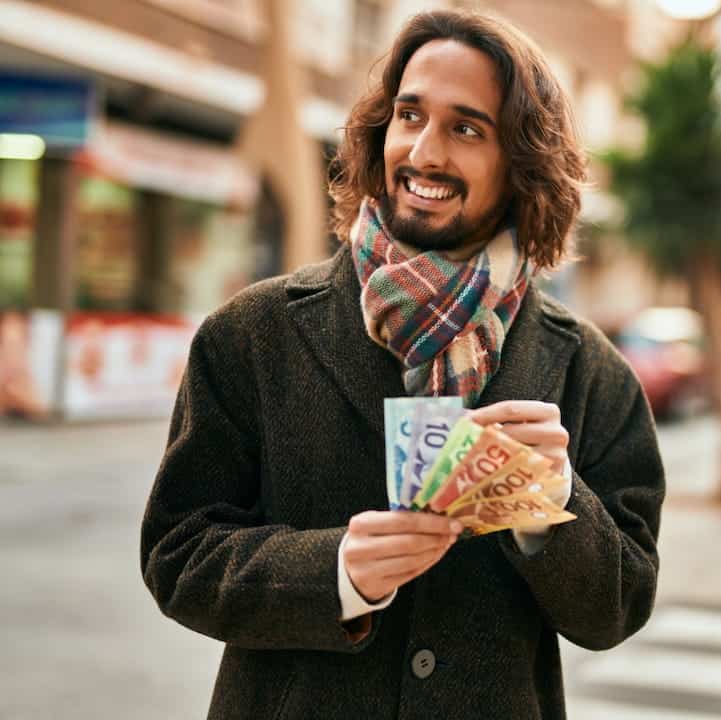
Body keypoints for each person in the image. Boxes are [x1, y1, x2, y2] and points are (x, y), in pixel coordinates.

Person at [140, 10, 664, 720]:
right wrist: (336, 573)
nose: (425, 151)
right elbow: (178, 554)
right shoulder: (253, 333)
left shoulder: (588, 371)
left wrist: (552, 506)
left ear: (522, 162)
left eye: (467, 128)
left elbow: (617, 610)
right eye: (409, 115)